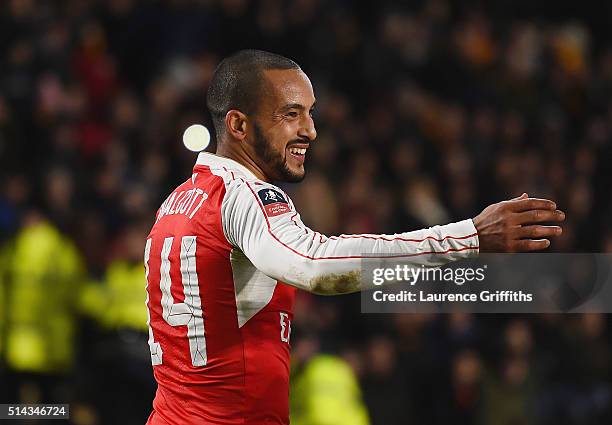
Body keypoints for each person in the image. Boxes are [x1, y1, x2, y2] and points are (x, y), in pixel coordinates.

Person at [144, 50, 565, 425]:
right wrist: (469, 236)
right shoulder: (244, 195)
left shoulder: (176, 203)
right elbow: (314, 265)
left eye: (310, 113)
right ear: (238, 124)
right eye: (291, 114)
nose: (310, 130)